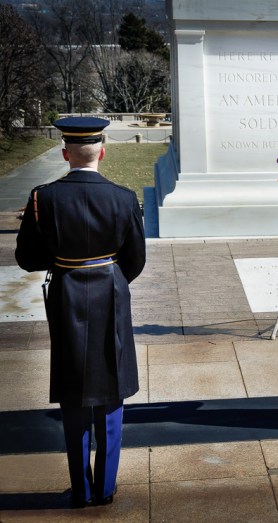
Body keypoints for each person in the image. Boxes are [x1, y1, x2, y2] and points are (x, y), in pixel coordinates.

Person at [15, 117, 146, 507]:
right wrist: (107, 275)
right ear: (102, 151)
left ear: (65, 153)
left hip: (66, 294)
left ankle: (82, 489)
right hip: (110, 291)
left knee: (74, 391)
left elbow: (27, 258)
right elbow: (135, 261)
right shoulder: (124, 197)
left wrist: (61, 259)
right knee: (111, 388)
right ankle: (105, 488)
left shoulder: (43, 197)